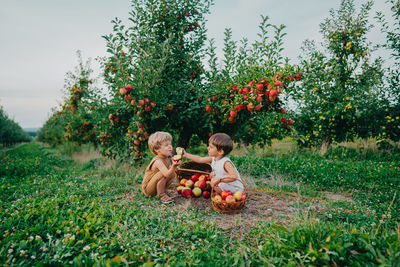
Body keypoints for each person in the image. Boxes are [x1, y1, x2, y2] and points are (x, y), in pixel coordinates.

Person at [142, 131, 181, 204]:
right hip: (148, 189)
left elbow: (170, 171)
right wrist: (173, 166)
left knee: (172, 172)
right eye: (166, 145)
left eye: (170, 144)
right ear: (157, 149)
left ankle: (164, 191)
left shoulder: (165, 158)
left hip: (155, 185)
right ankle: (162, 195)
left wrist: (176, 168)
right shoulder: (158, 161)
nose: (170, 147)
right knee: (164, 174)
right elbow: (166, 174)